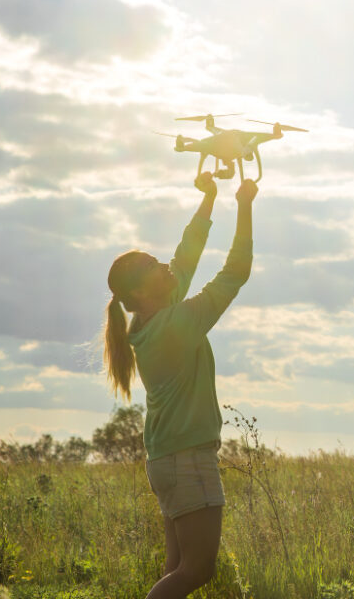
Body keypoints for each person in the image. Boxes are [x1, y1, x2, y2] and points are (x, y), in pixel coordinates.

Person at [103, 172, 257, 599]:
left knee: (177, 568)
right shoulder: (173, 326)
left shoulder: (155, 315)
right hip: (187, 459)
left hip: (168, 458)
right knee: (196, 571)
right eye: (154, 267)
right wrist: (244, 204)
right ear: (141, 288)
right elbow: (234, 273)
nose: (165, 265)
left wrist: (209, 199)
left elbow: (186, 256)